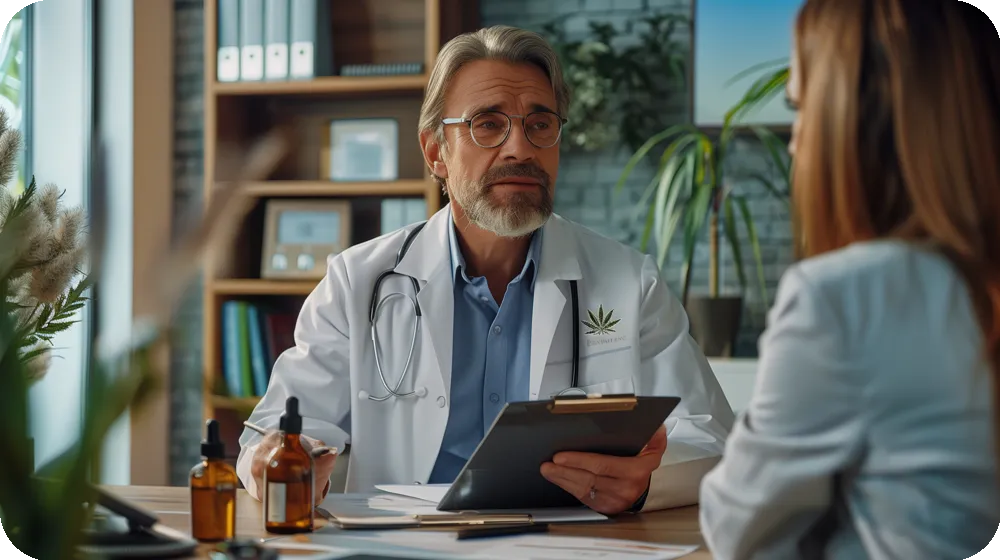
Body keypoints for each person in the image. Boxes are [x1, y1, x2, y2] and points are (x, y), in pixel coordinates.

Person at [236, 25, 735, 515]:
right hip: (406, 546)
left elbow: (711, 437)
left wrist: (645, 483)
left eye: (540, 124)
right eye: (488, 124)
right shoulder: (357, 282)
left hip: (569, 546)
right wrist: (278, 460)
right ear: (436, 152)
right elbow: (275, 435)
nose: (521, 148)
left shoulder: (630, 282)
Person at [699, 0, 1000, 557]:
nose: (793, 142)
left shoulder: (847, 296)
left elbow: (743, 534)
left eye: (801, 109)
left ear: (857, 122)